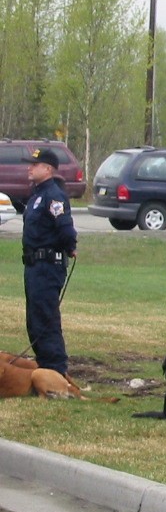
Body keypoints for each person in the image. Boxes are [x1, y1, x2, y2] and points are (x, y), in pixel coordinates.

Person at [21, 147, 77, 376]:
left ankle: (55, 370)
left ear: (48, 168)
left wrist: (69, 247)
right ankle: (44, 367)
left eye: (34, 165)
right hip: (33, 265)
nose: (29, 168)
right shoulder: (37, 194)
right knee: (34, 320)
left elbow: (65, 229)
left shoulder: (53, 195)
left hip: (47, 266)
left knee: (45, 319)